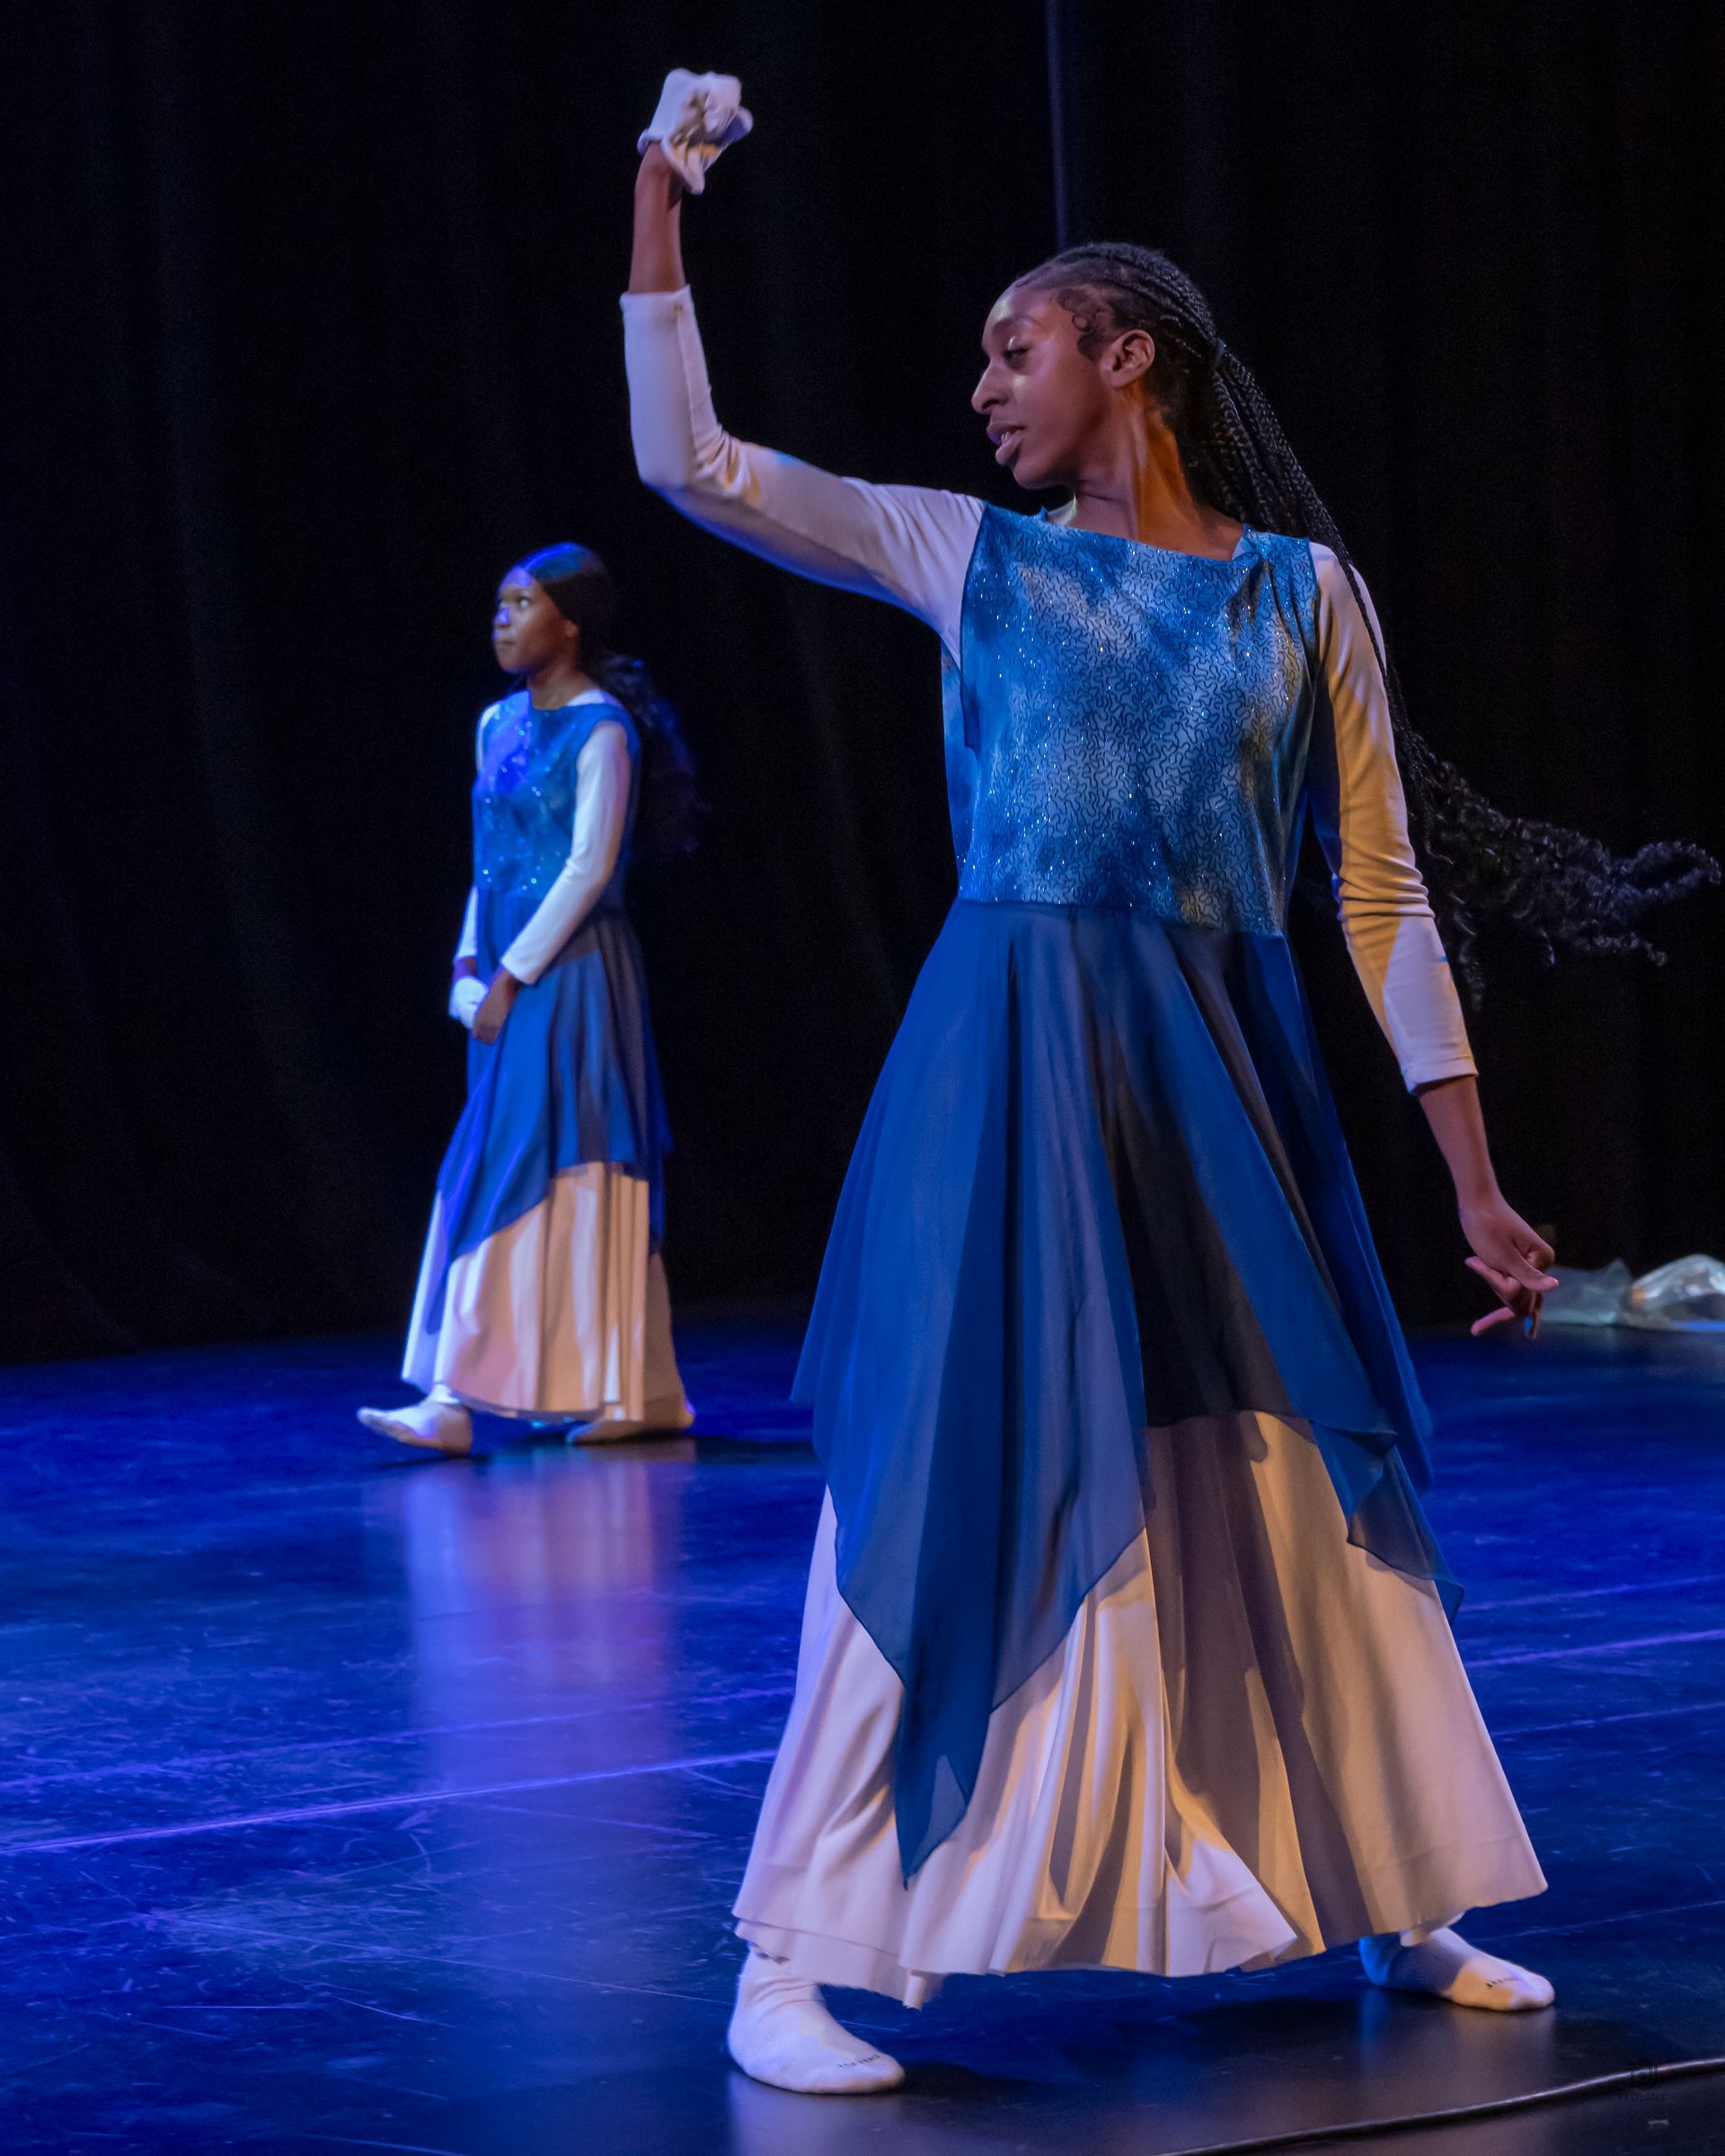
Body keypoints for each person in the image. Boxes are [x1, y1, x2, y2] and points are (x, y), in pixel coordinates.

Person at [624, 79, 1710, 2097]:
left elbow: (1376, 891)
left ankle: (1390, 1887)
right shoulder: (968, 556)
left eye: (1014, 349)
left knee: (1284, 1473)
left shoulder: (1301, 595)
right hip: (1016, 1066)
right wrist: (659, 199)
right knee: (956, 1475)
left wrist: (1469, 1175)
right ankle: (792, 1955)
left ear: (1127, 353)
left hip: (1221, 1071)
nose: (981, 390)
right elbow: (689, 463)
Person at [359, 545, 697, 1458]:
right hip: (507, 968)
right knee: (549, 1160)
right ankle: (643, 1387)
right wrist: (467, 962)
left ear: (570, 624)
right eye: (500, 604)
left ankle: (453, 1395)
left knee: (541, 1158)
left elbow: (589, 868)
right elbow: (490, 862)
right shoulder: (495, 723)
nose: (502, 619)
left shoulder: (603, 731)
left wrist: (513, 974)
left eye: (522, 604)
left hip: (571, 970)